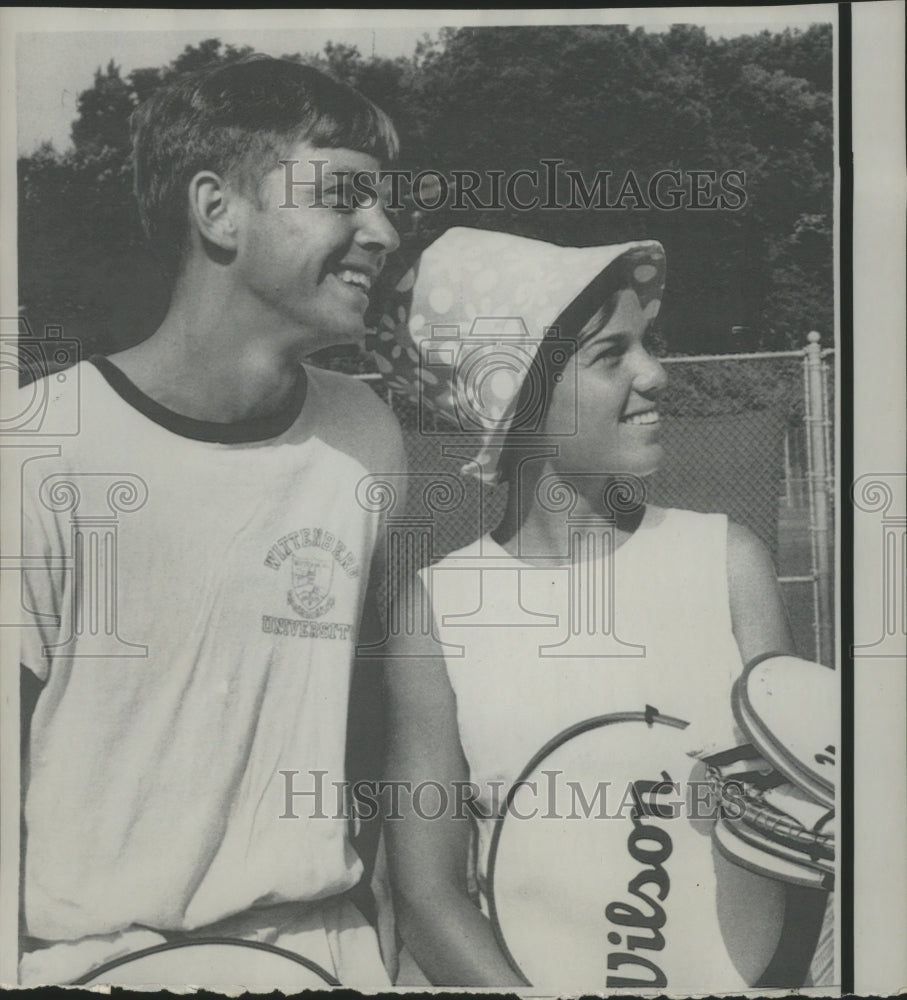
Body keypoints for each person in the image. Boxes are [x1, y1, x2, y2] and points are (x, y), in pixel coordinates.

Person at [17, 56, 404, 987]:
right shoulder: (37, 446)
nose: (383, 233)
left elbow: (370, 728)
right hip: (92, 961)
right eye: (345, 198)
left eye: (385, 206)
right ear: (217, 210)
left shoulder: (364, 431)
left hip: (324, 950)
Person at [374, 227, 826, 989]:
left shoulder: (727, 562)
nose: (655, 375)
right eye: (611, 355)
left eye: (646, 345)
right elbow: (426, 894)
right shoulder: (435, 613)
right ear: (514, 395)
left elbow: (801, 826)